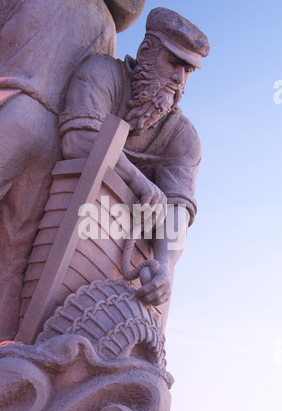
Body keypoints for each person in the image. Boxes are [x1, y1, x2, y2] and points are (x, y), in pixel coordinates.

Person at [0, 0, 145, 346]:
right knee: (11, 254)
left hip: (12, 106)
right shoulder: (105, 26)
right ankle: (0, 354)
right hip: (53, 141)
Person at [59, 7, 210, 309]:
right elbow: (77, 140)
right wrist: (137, 179)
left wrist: (165, 265)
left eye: (188, 70)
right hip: (61, 217)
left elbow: (178, 209)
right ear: (145, 51)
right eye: (173, 62)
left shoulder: (183, 137)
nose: (179, 78)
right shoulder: (102, 74)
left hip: (121, 258)